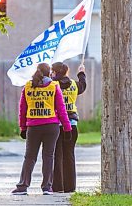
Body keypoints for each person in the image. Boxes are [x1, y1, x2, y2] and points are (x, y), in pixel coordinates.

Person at [11, 63, 72, 195]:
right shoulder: (54, 86)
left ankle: (23, 186)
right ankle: (46, 187)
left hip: (33, 127)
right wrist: (67, 128)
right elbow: (62, 109)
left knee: (30, 157)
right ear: (49, 73)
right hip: (51, 126)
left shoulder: (28, 86)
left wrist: (22, 127)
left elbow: (22, 109)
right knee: (48, 156)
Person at [51, 62, 87, 193]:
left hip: (56, 123)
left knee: (57, 155)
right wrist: (81, 73)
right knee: (69, 154)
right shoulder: (73, 84)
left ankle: (57, 186)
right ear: (66, 72)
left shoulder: (52, 85)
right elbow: (82, 86)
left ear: (54, 72)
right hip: (72, 123)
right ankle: (70, 186)